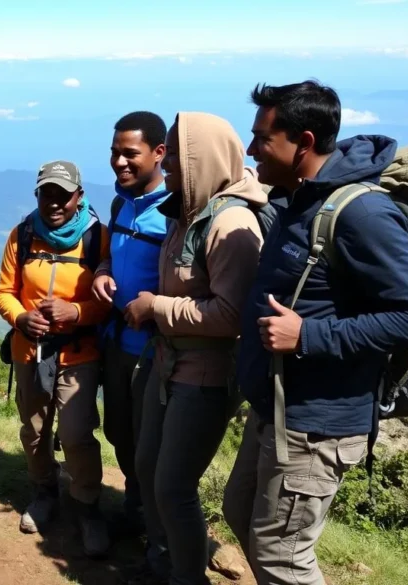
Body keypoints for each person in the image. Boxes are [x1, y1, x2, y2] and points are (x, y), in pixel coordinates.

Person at [224, 80, 408, 585]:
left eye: (262, 138)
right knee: (241, 515)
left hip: (315, 425)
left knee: (283, 556)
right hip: (277, 408)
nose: (251, 148)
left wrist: (308, 336)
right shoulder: (300, 198)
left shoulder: (362, 213)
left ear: (303, 141)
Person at [133, 112, 266, 585]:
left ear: (200, 160)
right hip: (168, 362)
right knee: (147, 469)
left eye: (175, 156)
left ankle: (185, 577)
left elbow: (231, 315)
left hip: (206, 375)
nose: (165, 164)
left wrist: (156, 307)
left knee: (173, 488)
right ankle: (162, 561)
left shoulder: (233, 225)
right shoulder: (189, 210)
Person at [0, 160, 112, 556]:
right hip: (29, 351)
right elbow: (3, 291)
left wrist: (76, 312)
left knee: (77, 434)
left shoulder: (97, 239)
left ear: (79, 196)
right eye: (48, 194)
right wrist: (21, 317)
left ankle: (86, 505)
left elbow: (109, 300)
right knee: (33, 431)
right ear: (37, 195)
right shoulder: (23, 236)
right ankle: (44, 492)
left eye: (64, 195)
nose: (55, 203)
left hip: (79, 354)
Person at [91, 111, 170, 530]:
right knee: (120, 433)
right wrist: (104, 271)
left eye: (130, 154)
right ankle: (136, 511)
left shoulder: (177, 211)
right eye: (114, 153)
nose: (119, 162)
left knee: (149, 445)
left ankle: (156, 530)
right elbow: (112, 254)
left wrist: (156, 305)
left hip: (154, 351)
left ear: (160, 153)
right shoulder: (121, 202)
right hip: (116, 343)